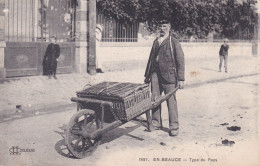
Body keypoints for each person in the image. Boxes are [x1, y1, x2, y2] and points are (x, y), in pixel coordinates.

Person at [144, 20, 185, 137]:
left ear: (169, 27)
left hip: (169, 76)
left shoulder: (174, 42)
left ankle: (174, 126)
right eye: (160, 26)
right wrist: (147, 75)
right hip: (155, 75)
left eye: (164, 26)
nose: (162, 28)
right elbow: (150, 60)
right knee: (155, 99)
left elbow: (180, 60)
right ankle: (156, 123)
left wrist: (181, 79)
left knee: (171, 101)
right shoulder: (156, 41)